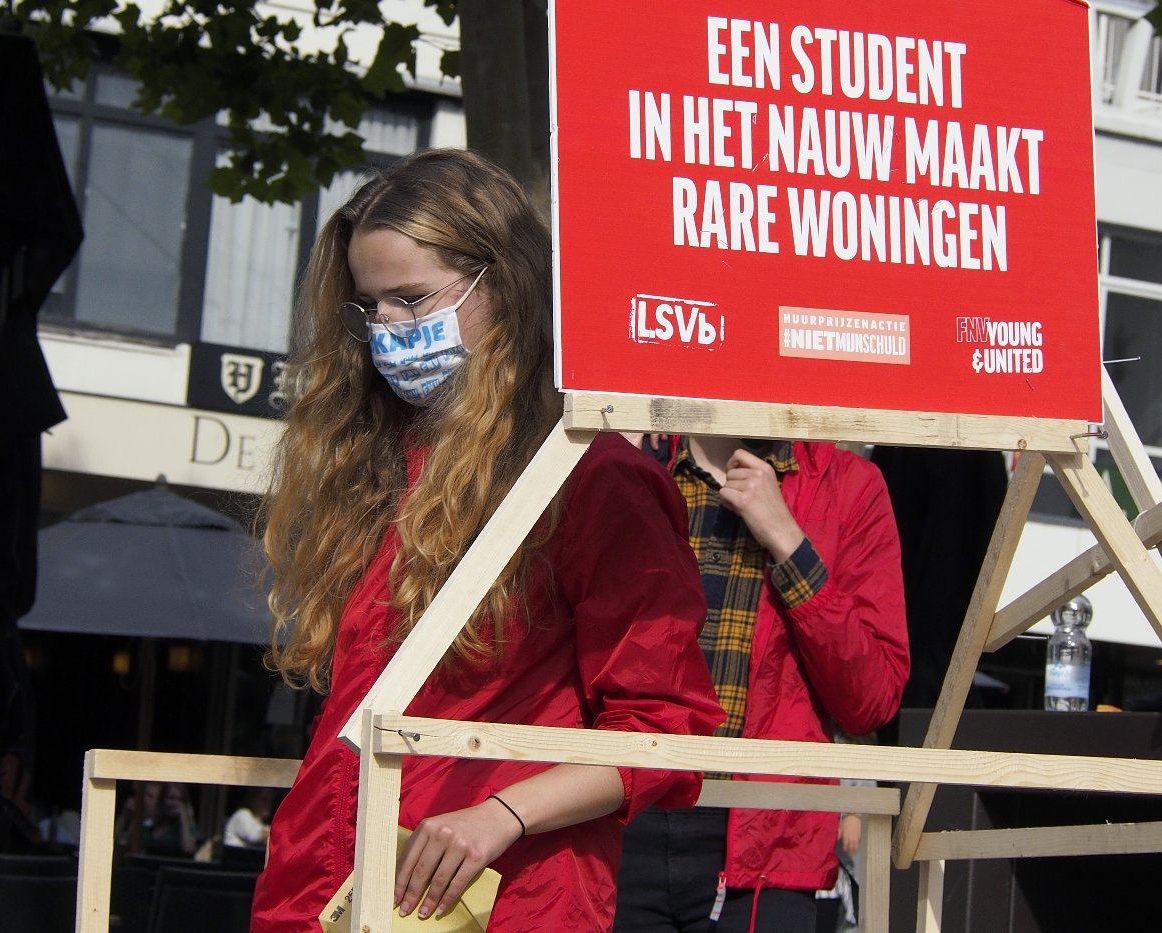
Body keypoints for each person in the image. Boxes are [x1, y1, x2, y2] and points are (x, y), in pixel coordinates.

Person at [249, 148, 724, 932]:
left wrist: (501, 813)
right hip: (330, 878)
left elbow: (666, 727)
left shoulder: (593, 476)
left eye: (411, 298)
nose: (389, 331)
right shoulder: (380, 463)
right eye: (370, 308)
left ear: (502, 282)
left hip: (498, 897)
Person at [613, 435, 909, 933]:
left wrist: (789, 543)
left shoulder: (849, 485)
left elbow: (872, 698)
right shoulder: (629, 464)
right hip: (619, 817)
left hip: (764, 840)